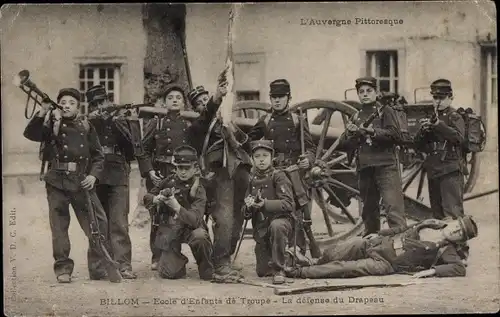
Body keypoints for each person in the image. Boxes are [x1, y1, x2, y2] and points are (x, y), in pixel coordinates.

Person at [23, 88, 120, 283]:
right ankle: (63, 268)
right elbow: (31, 134)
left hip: (81, 181)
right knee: (59, 227)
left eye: (71, 102)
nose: (66, 105)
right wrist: (42, 111)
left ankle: (99, 268)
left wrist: (93, 176)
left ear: (78, 106)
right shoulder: (51, 123)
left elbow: (98, 156)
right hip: (56, 182)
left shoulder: (86, 125)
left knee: (98, 223)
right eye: (63, 102)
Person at [189, 71, 253, 279]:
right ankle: (221, 263)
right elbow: (207, 114)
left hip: (240, 170)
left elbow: (247, 143)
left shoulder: (228, 119)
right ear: (195, 109)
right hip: (219, 173)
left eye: (205, 99)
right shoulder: (198, 126)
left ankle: (227, 256)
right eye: (199, 103)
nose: (203, 104)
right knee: (224, 216)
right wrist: (215, 99)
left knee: (239, 213)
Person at [284, 215, 478, 279]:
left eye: (459, 232)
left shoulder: (448, 250)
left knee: (346, 267)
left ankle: (299, 272)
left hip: (385, 263)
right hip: (380, 244)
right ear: (452, 222)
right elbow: (404, 228)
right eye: (456, 226)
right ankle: (315, 262)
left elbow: (459, 268)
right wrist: (380, 233)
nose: (454, 231)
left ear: (459, 239)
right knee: (348, 246)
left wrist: (430, 272)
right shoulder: (432, 222)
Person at [246, 79, 315, 256]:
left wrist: (307, 159)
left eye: (281, 97)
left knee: (298, 213)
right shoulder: (265, 120)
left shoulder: (298, 120)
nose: (277, 101)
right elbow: (249, 143)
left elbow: (310, 148)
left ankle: (298, 253)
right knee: (271, 212)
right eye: (274, 97)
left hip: (293, 173)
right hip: (271, 174)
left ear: (288, 98)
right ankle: (272, 251)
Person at [85, 85, 141, 279]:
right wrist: (98, 120)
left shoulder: (119, 120)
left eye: (103, 102)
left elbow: (133, 150)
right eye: (95, 104)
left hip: (117, 171)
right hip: (94, 173)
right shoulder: (87, 122)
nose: (100, 106)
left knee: (119, 222)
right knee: (97, 223)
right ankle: (98, 267)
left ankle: (123, 265)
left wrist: (120, 121)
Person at [138, 84, 196, 270]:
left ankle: (174, 253)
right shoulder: (157, 123)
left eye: (178, 98)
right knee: (158, 214)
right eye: (170, 98)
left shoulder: (189, 125)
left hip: (182, 173)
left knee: (180, 211)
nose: (174, 101)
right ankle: (156, 255)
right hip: (160, 172)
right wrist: (149, 171)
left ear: (184, 102)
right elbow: (143, 149)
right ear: (164, 102)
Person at [339, 77, 407, 235]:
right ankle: (372, 244)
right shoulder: (356, 116)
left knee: (393, 209)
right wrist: (350, 133)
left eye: (369, 91)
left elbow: (395, 135)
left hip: (385, 167)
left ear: (376, 93)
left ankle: (401, 245)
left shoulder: (386, 111)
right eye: (361, 92)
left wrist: (370, 131)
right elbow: (344, 144)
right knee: (369, 212)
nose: (365, 94)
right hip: (365, 169)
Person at [143, 145, 214, 280]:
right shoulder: (168, 181)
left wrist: (177, 207)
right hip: (171, 230)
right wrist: (157, 199)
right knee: (170, 273)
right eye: (180, 168)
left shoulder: (198, 187)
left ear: (195, 168)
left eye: (187, 168)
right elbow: (147, 197)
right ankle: (178, 261)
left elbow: (195, 220)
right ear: (175, 168)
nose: (183, 172)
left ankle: (205, 266)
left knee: (200, 236)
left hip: (190, 228)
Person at [242, 140, 296, 284]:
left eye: (265, 156)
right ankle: (286, 258)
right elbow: (245, 210)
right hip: (262, 228)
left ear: (271, 157)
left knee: (277, 226)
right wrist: (248, 207)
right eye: (257, 156)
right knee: (262, 272)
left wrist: (265, 204)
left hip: (281, 222)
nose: (261, 159)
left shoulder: (279, 176)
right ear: (252, 159)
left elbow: (288, 204)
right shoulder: (252, 179)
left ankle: (280, 268)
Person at [414, 79, 466, 220]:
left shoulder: (454, 116)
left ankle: (459, 243)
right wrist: (423, 131)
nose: (438, 101)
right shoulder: (431, 117)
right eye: (435, 98)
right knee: (437, 214)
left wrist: (438, 125)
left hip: (450, 170)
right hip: (434, 170)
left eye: (442, 98)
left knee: (453, 213)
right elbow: (417, 145)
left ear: (450, 98)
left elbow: (459, 138)